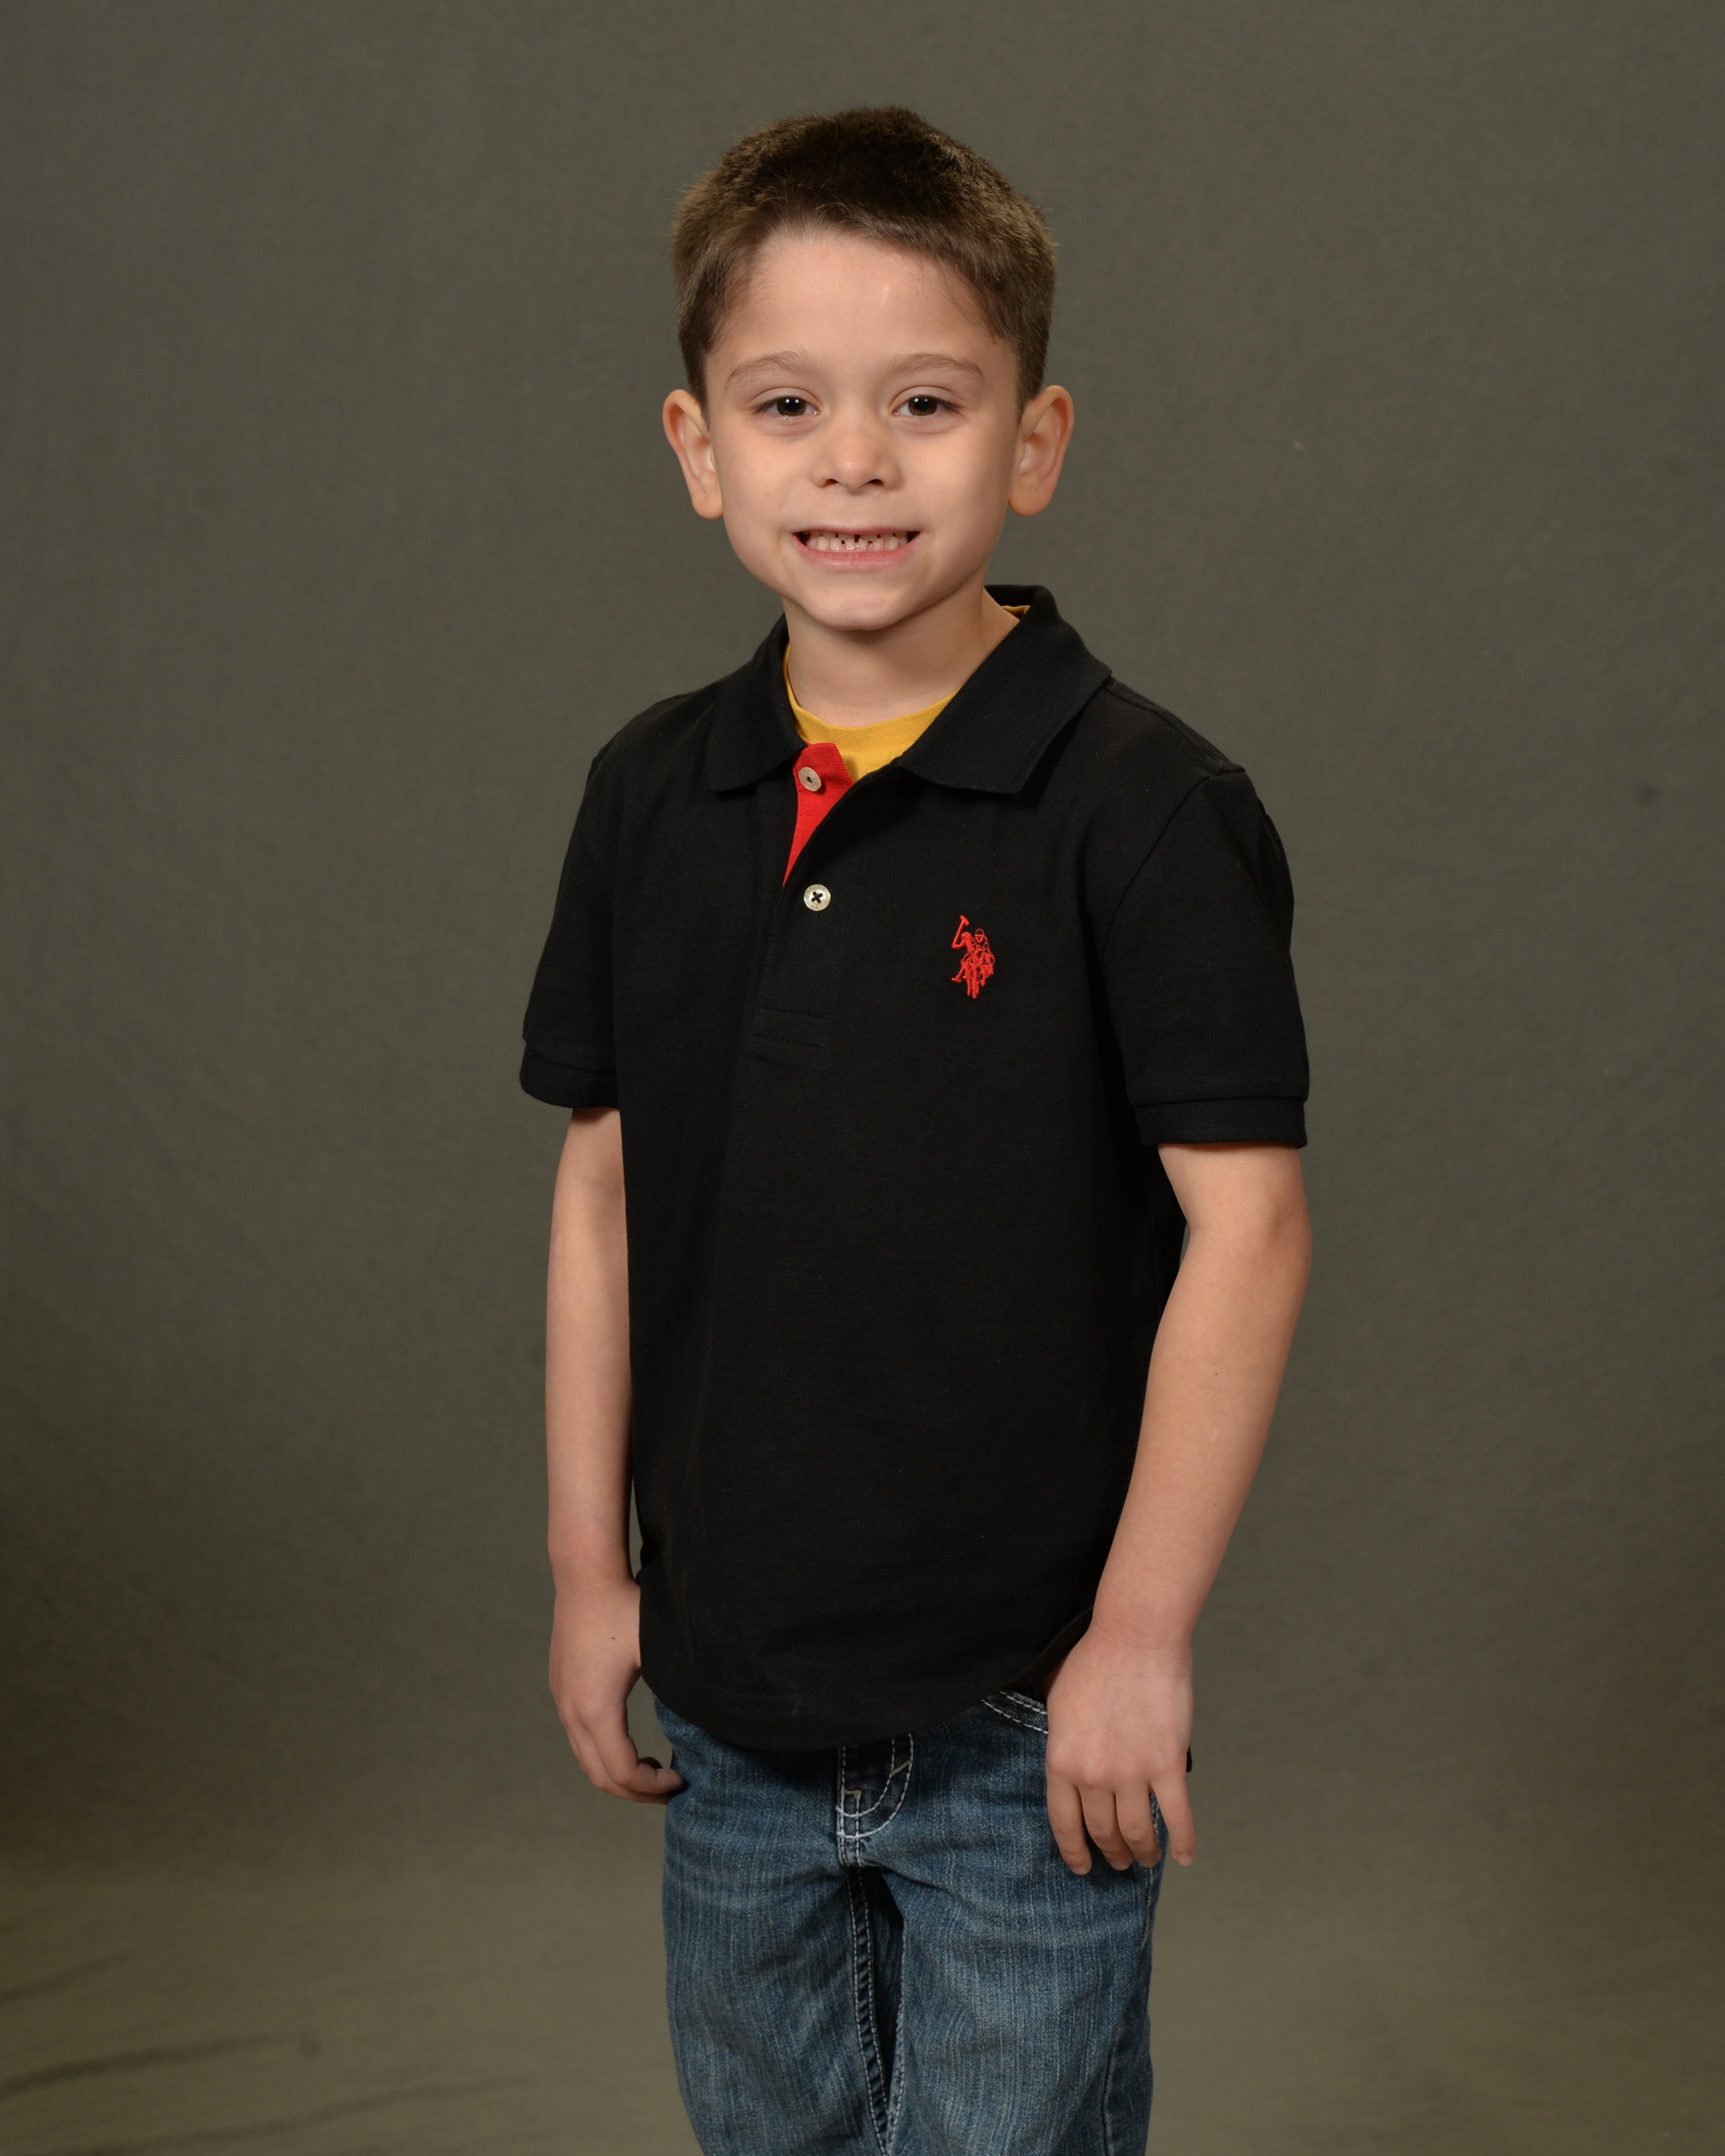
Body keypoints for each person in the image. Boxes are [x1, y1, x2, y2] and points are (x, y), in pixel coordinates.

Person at [521, 105, 1311, 2156]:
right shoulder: (648, 796)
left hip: (1024, 1708)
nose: (853, 461)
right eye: (786, 403)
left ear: (1032, 443)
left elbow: (1248, 1233)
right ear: (698, 447)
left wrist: (1140, 1636)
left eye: (926, 403)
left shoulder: (1142, 810)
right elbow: (602, 1196)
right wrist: (588, 1574)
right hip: (729, 1693)